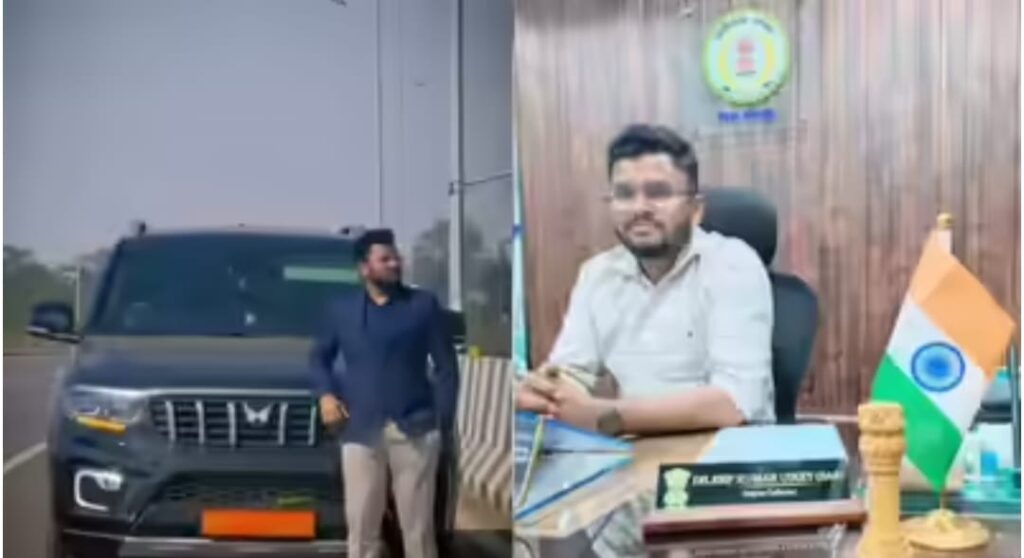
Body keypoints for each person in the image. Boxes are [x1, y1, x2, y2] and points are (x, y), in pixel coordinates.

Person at [516, 123, 775, 435]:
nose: (639, 208)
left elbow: (734, 404)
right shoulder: (597, 275)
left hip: (729, 453)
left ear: (695, 210)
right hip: (638, 452)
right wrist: (547, 393)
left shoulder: (732, 264)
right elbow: (571, 373)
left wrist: (604, 417)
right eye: (625, 194)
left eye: (658, 193)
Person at [310, 228, 458, 558]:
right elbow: (319, 358)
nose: (395, 263)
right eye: (385, 259)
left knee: (418, 531)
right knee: (361, 527)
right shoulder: (342, 310)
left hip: (415, 430)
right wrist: (326, 395)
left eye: (396, 258)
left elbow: (447, 368)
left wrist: (441, 424)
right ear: (364, 268)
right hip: (359, 431)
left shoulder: (423, 306)